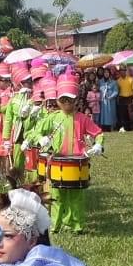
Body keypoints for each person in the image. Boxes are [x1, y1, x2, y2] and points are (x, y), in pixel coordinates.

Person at [31, 74, 102, 234]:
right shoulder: (53, 118)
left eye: (70, 100)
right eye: (63, 100)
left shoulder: (83, 118)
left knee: (76, 197)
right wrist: (40, 138)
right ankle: (55, 225)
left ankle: (76, 225)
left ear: (76, 100)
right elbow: (35, 132)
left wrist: (99, 144)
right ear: (57, 101)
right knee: (57, 196)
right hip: (57, 163)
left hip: (78, 164)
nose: (66, 104)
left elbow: (98, 133)